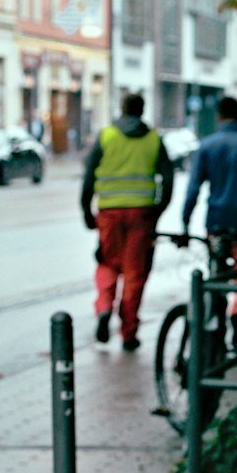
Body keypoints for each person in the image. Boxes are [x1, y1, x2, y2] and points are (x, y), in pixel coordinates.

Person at [81, 94, 173, 352]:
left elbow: (89, 178)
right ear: (142, 110)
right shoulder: (154, 139)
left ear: (121, 109)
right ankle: (128, 332)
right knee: (135, 273)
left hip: (109, 213)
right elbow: (167, 179)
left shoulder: (106, 136)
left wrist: (86, 212)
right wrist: (158, 211)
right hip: (142, 214)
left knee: (108, 263)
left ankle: (103, 308)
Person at [180, 95, 237, 354]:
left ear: (219, 116)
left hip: (216, 221)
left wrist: (185, 221)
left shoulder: (207, 146)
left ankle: (215, 318)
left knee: (216, 272)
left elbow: (194, 187)